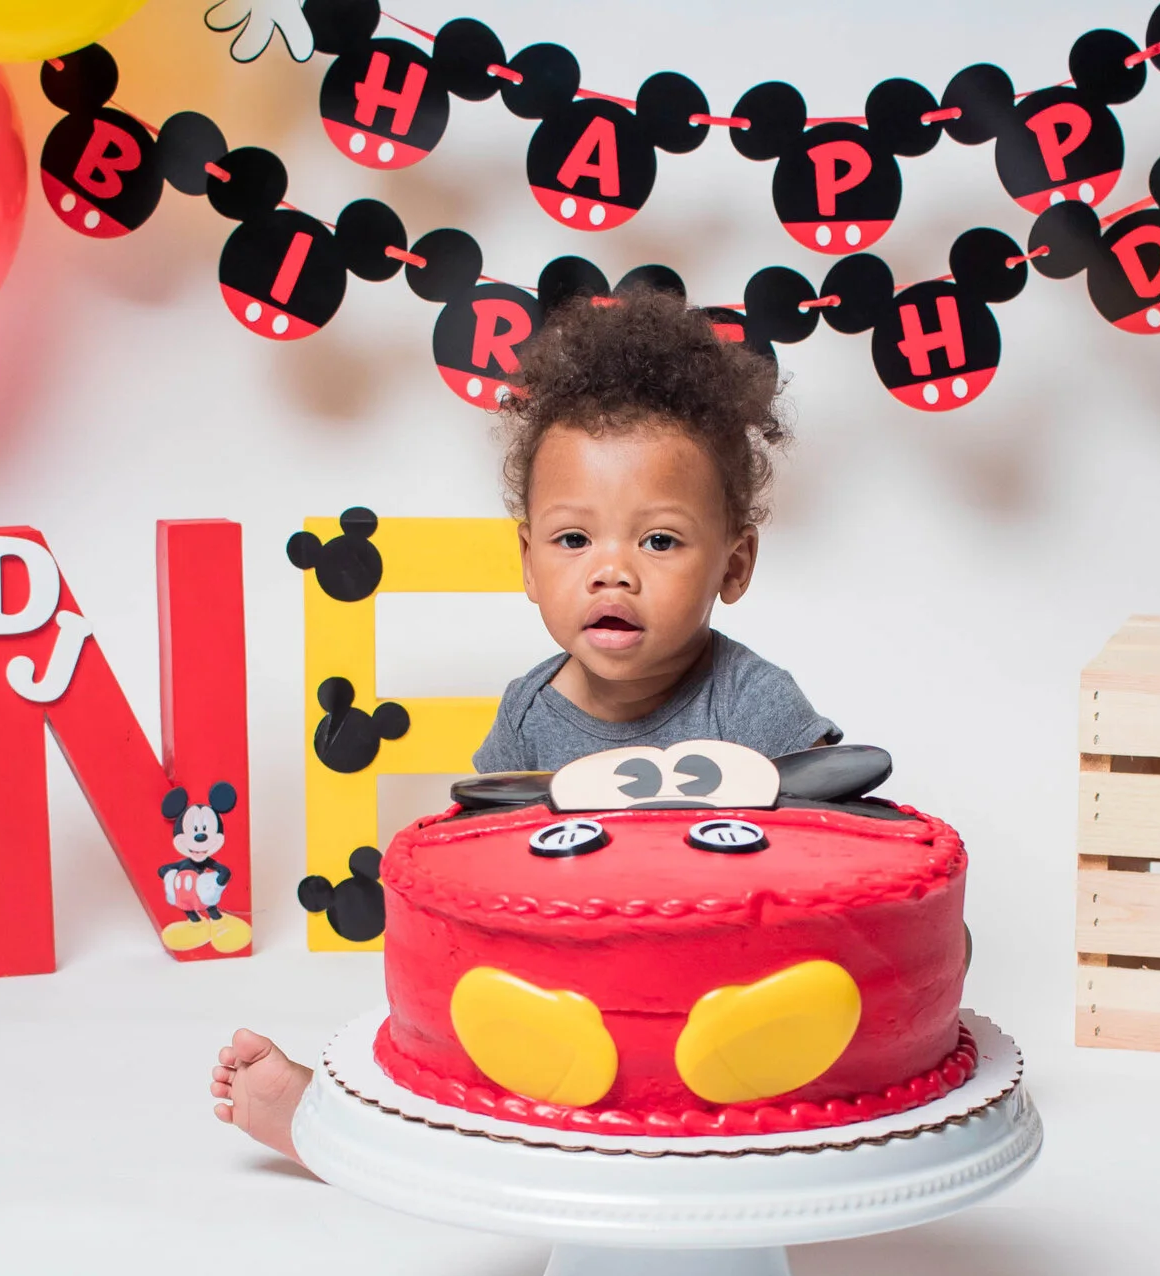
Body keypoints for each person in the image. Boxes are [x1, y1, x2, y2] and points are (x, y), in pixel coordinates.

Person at [211, 289, 833, 1161]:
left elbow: (845, 855)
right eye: (574, 540)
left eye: (659, 541)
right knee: (464, 1035)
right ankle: (338, 1128)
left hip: (712, 1016)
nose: (612, 572)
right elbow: (473, 875)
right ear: (529, 563)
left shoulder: (753, 704)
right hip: (561, 1011)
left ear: (734, 564)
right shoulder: (528, 716)